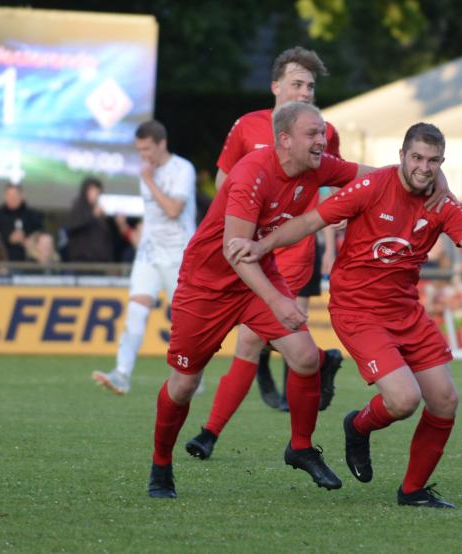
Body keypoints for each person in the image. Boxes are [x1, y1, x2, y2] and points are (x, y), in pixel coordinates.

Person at [226, 122, 462, 508]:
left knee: (445, 400)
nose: (424, 167)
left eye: (433, 160)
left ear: (442, 163)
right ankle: (358, 426)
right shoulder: (373, 187)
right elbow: (310, 221)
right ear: (402, 156)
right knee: (404, 400)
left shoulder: (443, 204)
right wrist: (262, 244)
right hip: (357, 309)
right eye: (417, 157)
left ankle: (413, 491)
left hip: (405, 310)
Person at [146, 102, 369, 498]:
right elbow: (235, 251)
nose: (323, 140)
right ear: (284, 139)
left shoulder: (317, 165)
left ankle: (300, 447)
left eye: (322, 133)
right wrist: (279, 302)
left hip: (257, 275)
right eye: (313, 134)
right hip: (207, 286)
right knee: (183, 385)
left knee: (302, 355)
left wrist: (422, 177)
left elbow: (372, 179)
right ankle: (161, 464)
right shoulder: (253, 172)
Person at [182, 46, 344, 461]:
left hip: (293, 249)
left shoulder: (326, 131)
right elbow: (224, 178)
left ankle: (215, 434)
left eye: (310, 85)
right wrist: (242, 215)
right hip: (245, 248)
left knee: (255, 339)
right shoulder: (247, 126)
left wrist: (329, 245)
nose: (305, 92)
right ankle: (214, 432)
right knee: (257, 343)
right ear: (276, 86)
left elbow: (329, 189)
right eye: (297, 83)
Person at [92, 120, 197, 395]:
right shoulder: (145, 171)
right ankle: (122, 374)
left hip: (180, 255)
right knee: (136, 312)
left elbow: (174, 209)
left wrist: (150, 180)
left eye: (147, 149)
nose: (144, 155)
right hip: (150, 253)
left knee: (186, 322)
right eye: (139, 150)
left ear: (162, 144)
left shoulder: (182, 169)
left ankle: (191, 374)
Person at [63, 177, 115, 265]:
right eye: (93, 191)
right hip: (82, 263)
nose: (96, 194)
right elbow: (72, 227)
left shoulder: (99, 214)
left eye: (98, 192)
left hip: (100, 263)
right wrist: (93, 215)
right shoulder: (78, 209)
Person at [0, 184, 43, 262]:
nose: (12, 198)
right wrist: (9, 240)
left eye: (15, 195)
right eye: (9, 195)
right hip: (3, 262)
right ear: (5, 197)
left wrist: (30, 241)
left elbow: (42, 235)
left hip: (30, 263)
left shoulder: (33, 216)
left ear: (22, 196)